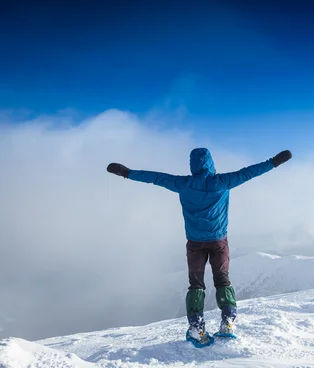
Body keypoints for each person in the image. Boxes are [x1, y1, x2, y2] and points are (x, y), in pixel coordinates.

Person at [106, 148, 292, 345]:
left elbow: (155, 177)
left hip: (195, 244)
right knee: (223, 281)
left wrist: (127, 172)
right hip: (219, 242)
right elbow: (250, 172)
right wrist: (274, 161)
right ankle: (228, 323)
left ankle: (196, 328)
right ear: (211, 162)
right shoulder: (222, 182)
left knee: (196, 285)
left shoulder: (183, 184)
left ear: (192, 165)